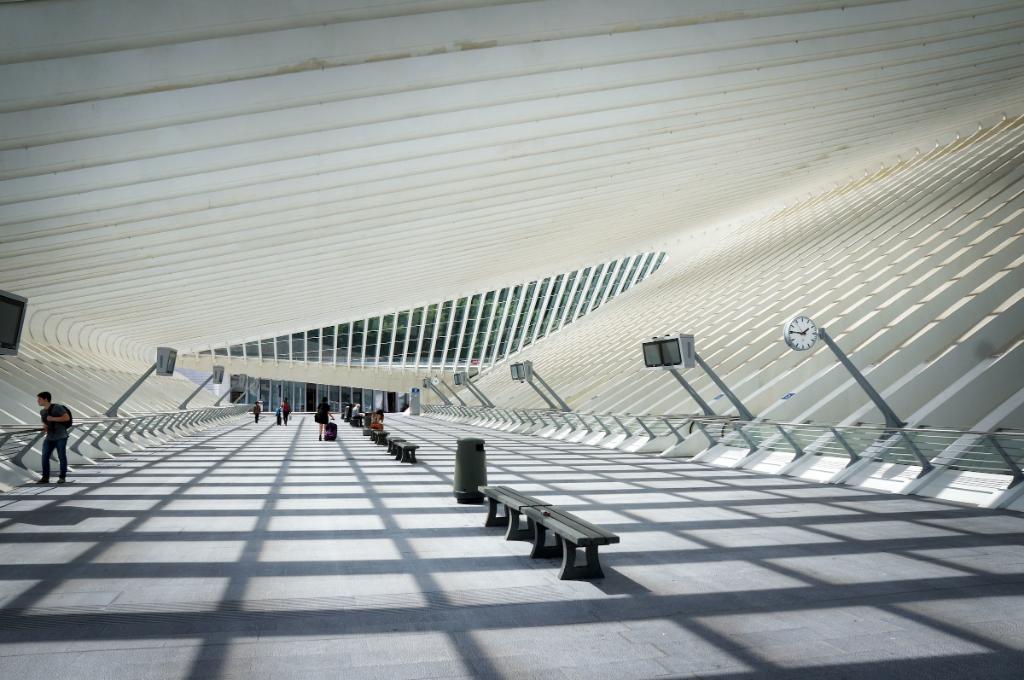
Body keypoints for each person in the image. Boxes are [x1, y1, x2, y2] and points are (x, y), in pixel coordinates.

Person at [36, 391, 70, 484]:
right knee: (45, 457)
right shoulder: (42, 411)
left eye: (39, 399)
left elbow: (66, 418)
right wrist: (45, 427)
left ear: (46, 399)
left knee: (61, 456)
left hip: (61, 436)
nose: (37, 401)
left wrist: (53, 419)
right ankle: (45, 478)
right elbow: (46, 422)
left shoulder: (57, 407)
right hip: (50, 437)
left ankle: (62, 477)